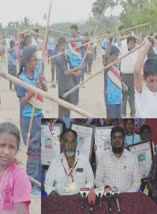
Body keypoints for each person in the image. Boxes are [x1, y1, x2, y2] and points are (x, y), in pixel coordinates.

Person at [16, 46, 48, 196]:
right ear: (27, 62)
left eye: (37, 60)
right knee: (32, 149)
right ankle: (32, 182)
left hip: (39, 115)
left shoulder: (38, 74)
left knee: (41, 147)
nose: (36, 63)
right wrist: (32, 92)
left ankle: (38, 180)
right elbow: (22, 102)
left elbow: (46, 91)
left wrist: (42, 83)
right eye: (34, 61)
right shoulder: (21, 79)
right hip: (28, 117)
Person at [44, 128, 94, 196]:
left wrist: (82, 193)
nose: (70, 146)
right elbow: (47, 185)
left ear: (76, 143)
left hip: (80, 199)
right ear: (62, 143)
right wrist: (57, 197)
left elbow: (91, 181)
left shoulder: (84, 160)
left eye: (73, 142)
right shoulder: (55, 162)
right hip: (60, 199)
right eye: (67, 142)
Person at [95, 126, 141, 192]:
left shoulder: (132, 158)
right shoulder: (103, 157)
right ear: (111, 139)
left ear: (124, 139)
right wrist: (106, 190)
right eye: (114, 138)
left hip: (127, 198)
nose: (117, 140)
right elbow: (98, 180)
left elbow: (137, 182)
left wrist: (127, 195)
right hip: (108, 197)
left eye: (120, 137)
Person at [55, 37, 82, 118]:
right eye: (62, 45)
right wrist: (77, 68)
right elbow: (66, 72)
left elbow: (69, 70)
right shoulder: (58, 58)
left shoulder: (67, 57)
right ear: (59, 46)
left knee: (68, 109)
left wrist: (76, 73)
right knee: (61, 109)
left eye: (65, 45)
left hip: (69, 85)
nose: (64, 47)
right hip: (63, 87)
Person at [119, 35, 138, 118]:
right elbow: (118, 40)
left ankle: (133, 113)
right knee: (124, 95)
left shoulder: (137, 50)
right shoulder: (123, 49)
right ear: (127, 43)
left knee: (132, 95)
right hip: (124, 76)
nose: (132, 45)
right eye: (130, 43)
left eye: (133, 43)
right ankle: (123, 113)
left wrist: (134, 36)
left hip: (132, 76)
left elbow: (142, 42)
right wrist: (127, 35)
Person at [104, 44, 122, 118]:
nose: (116, 57)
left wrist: (123, 85)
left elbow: (118, 79)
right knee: (112, 118)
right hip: (111, 99)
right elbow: (106, 56)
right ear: (110, 56)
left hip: (118, 98)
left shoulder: (117, 67)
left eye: (117, 56)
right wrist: (110, 42)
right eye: (115, 55)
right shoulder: (108, 67)